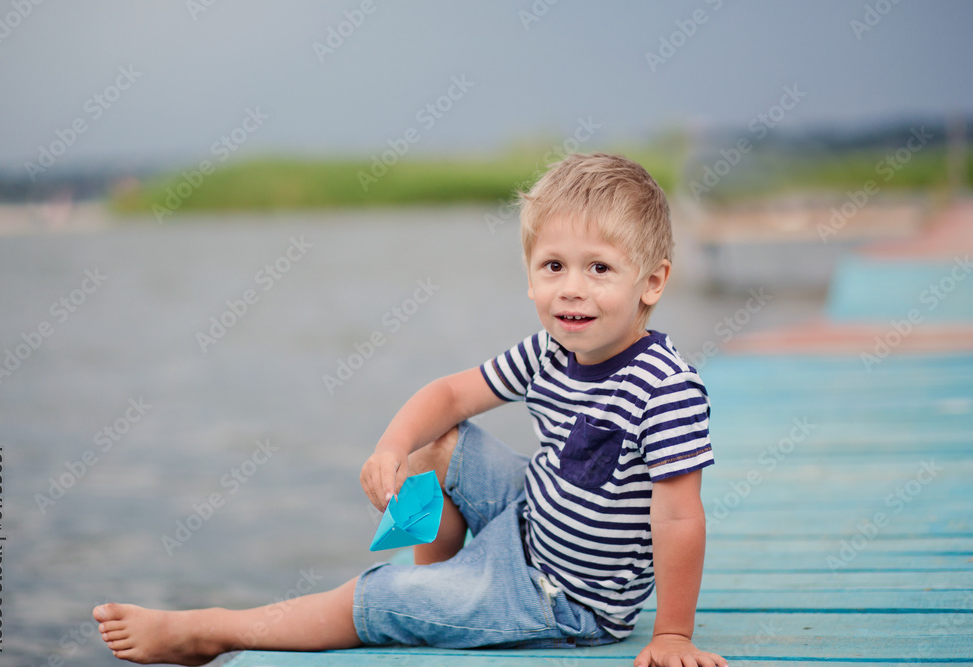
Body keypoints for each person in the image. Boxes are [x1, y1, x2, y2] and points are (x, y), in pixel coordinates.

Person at [93, 152, 727, 667]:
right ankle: (447, 582)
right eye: (553, 265)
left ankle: (216, 630)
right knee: (437, 443)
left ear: (651, 282)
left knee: (389, 596)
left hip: (563, 599)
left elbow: (677, 518)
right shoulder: (550, 348)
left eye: (600, 269)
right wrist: (391, 449)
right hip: (533, 526)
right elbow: (449, 395)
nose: (572, 288)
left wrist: (671, 634)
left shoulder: (664, 388)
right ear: (530, 275)